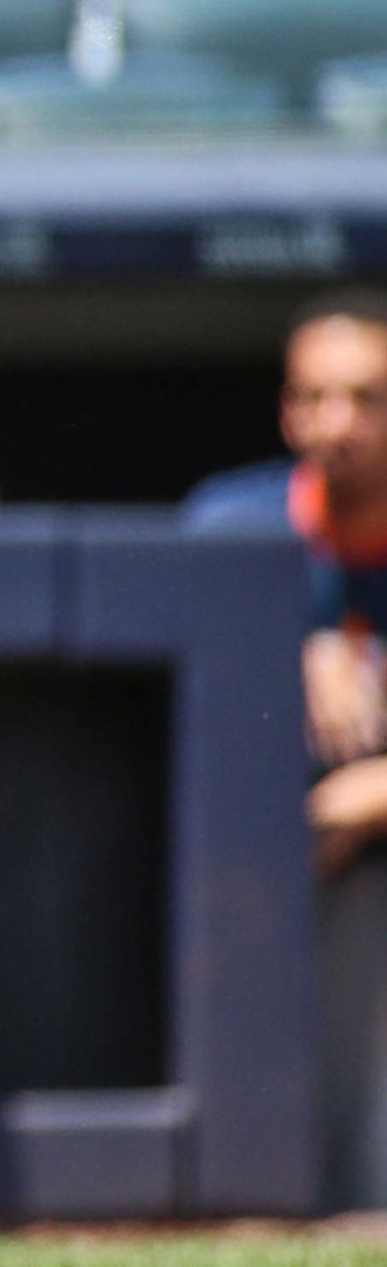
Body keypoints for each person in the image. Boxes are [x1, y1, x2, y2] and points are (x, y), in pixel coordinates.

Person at [184, 293, 387, 1207]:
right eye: (313, 397)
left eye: (366, 397)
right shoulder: (235, 528)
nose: (335, 423)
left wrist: (371, 792)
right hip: (262, 879)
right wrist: (278, 639)